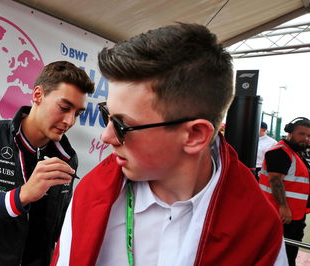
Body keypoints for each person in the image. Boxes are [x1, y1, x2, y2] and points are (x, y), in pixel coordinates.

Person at [51, 23, 287, 265]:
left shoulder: (258, 228)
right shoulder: (93, 192)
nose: (106, 137)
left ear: (195, 135)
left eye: (122, 125)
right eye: (106, 115)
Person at [0, 61, 95, 266]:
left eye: (77, 114)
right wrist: (21, 196)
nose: (70, 121)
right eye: (64, 107)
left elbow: (54, 231)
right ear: (38, 95)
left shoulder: (67, 157)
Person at [259, 117, 310, 266]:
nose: (306, 139)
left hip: (295, 216)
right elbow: (275, 180)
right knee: (279, 256)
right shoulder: (280, 152)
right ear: (290, 132)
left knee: (288, 255)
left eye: (309, 136)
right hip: (282, 215)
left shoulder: (295, 153)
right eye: (302, 134)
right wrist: (284, 207)